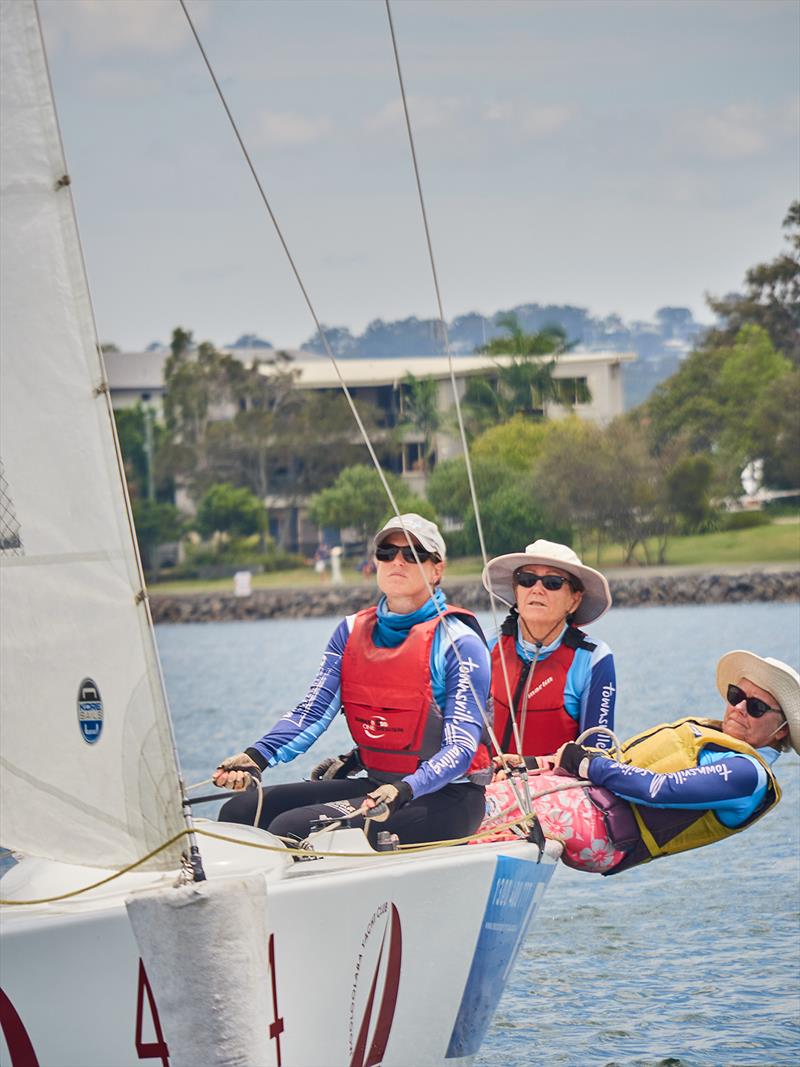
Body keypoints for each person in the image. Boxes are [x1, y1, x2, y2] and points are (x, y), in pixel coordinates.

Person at [213, 514, 493, 845]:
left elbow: (460, 748)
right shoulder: (349, 632)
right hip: (379, 786)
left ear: (437, 570)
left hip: (447, 798)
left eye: (412, 553)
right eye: (386, 553)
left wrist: (408, 787)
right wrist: (257, 756)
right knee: (240, 812)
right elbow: (311, 712)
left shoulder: (459, 643)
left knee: (291, 828)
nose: (397, 562)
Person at [480, 651, 798, 875]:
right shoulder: (711, 736)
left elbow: (660, 789)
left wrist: (585, 765)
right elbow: (620, 763)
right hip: (593, 805)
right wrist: (537, 763)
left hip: (609, 834)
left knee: (491, 808)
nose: (739, 708)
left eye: (756, 706)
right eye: (735, 695)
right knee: (496, 784)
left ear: (781, 730)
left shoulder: (748, 774)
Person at [481, 539, 616, 758]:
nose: (537, 589)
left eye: (552, 582)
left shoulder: (594, 658)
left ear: (574, 600)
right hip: (483, 787)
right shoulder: (483, 645)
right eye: (526, 580)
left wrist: (532, 766)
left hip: (556, 789)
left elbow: (597, 756)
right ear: (516, 591)